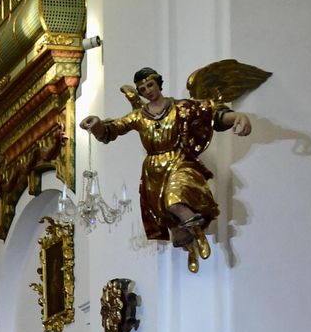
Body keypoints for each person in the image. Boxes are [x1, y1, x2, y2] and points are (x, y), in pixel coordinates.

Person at [80, 66, 254, 272]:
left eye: (150, 85)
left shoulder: (181, 108)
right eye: (143, 89)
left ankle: (199, 235)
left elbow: (211, 113)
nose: (148, 91)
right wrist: (96, 125)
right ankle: (191, 249)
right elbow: (113, 129)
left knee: (175, 202)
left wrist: (237, 117)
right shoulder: (138, 116)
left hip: (179, 161)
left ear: (158, 84)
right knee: (172, 224)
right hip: (154, 172)